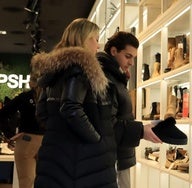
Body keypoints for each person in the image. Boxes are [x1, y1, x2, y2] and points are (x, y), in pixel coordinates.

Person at [32, 18, 161, 188]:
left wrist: (60, 132)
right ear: (82, 38)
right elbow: (71, 108)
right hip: (84, 163)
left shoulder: (54, 72)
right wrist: (97, 140)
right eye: (95, 39)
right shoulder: (81, 67)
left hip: (56, 156)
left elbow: (42, 112)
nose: (98, 45)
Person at [97, 31, 161, 188]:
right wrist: (140, 130)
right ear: (113, 51)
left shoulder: (115, 77)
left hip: (118, 154)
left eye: (133, 57)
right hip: (113, 157)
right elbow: (107, 124)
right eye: (128, 56)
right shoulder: (105, 79)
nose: (132, 63)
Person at [0, 71, 45, 188]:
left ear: (31, 83)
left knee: (26, 182)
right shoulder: (51, 98)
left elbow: (2, 114)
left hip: (27, 142)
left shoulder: (24, 98)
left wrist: (9, 135)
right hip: (47, 142)